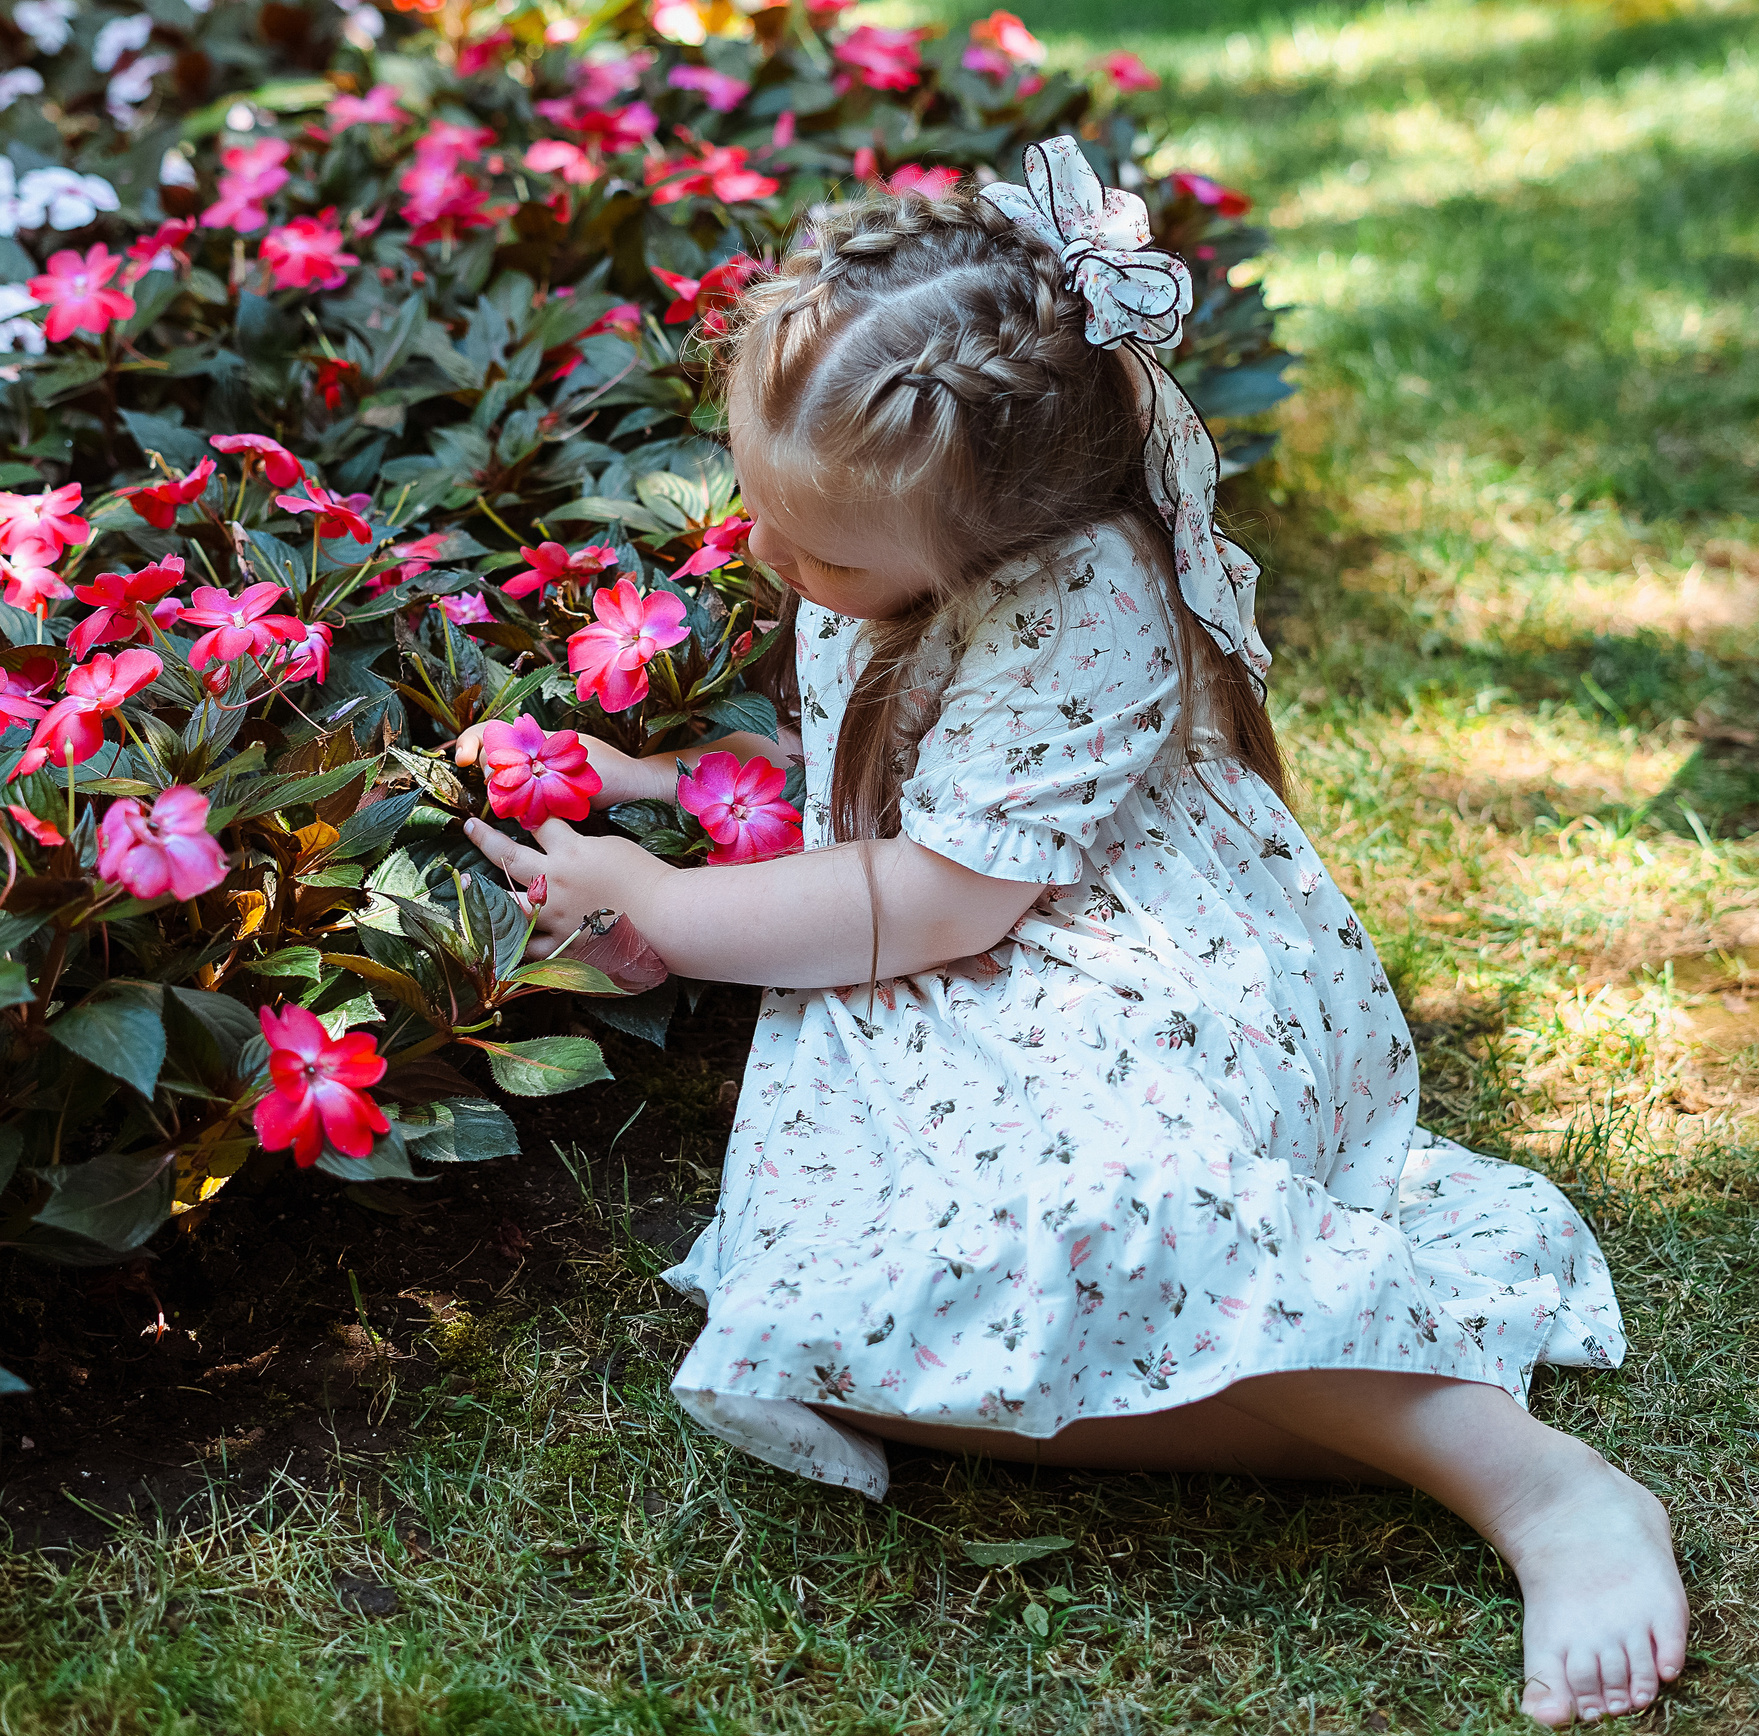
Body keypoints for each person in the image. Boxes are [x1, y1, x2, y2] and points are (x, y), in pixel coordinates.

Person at [457, 138, 1685, 1727]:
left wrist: (673, 912)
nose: (775, 566)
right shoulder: (905, 548)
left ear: (997, 544)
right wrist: (680, 785)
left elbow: (946, 887)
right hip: (962, 936)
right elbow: (894, 763)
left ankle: (1534, 1485)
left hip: (1113, 963)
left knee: (1112, 1212)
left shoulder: (1080, 593)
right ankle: (1341, 1393)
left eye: (819, 551)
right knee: (854, 1336)